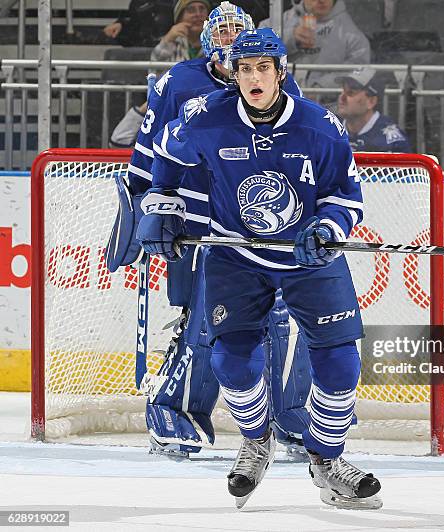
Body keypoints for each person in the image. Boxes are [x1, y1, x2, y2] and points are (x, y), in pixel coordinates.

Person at [137, 28, 382, 510]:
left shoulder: (320, 126)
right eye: (245, 68)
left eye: (262, 69)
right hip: (236, 255)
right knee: (231, 359)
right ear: (235, 73)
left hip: (309, 258)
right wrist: (159, 204)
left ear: (280, 72)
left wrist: (329, 226)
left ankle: (328, 462)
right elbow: (164, 152)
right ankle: (255, 441)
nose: (253, 77)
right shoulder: (205, 118)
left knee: (340, 364)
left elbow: (346, 194)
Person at [107, 2, 309, 459]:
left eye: (242, 37)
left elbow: (297, 144)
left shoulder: (274, 81)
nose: (232, 43)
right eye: (224, 36)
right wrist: (146, 204)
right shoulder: (179, 82)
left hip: (259, 215)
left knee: (281, 319)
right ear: (206, 43)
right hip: (197, 218)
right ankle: (176, 409)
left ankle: (290, 414)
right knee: (207, 318)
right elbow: (150, 150)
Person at [109, 0, 212, 148]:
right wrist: (168, 38)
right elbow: (116, 144)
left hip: (204, 112)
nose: (197, 14)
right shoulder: (170, 43)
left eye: (202, 9)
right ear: (179, 17)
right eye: (191, 10)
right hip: (171, 111)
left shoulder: (216, 50)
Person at [259, 0, 371, 92]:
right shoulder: (281, 21)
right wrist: (290, 37)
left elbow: (359, 67)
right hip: (283, 98)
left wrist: (320, 87)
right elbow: (256, 47)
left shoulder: (350, 32)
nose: (322, 1)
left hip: (327, 106)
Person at [336, 67, 412, 153]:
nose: (342, 97)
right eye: (342, 90)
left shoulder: (392, 142)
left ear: (371, 102)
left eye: (351, 92)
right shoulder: (328, 130)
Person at [103, 0, 174, 47]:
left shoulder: (178, 2)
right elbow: (135, 32)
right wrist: (121, 26)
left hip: (174, 52)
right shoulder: (137, 3)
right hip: (144, 55)